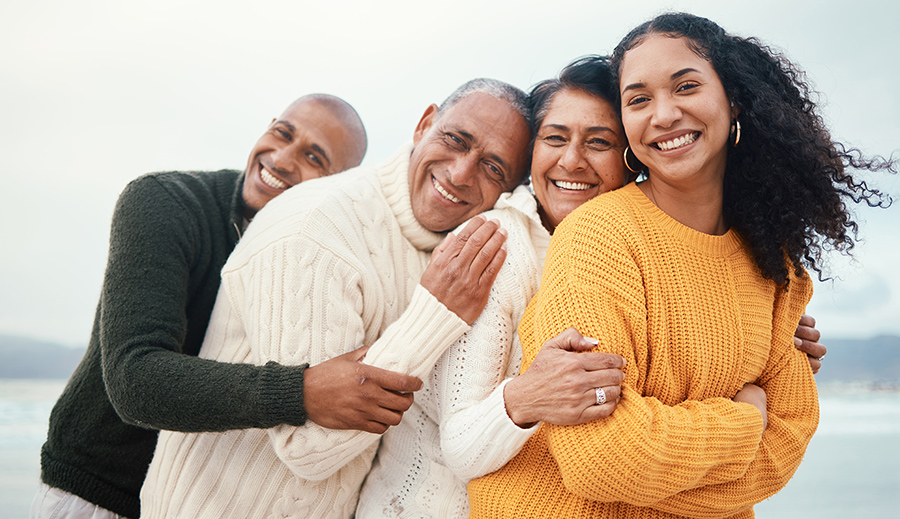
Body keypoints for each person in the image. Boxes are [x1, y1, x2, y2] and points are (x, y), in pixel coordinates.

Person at [356, 56, 829, 518]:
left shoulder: (653, 246)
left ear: (633, 154)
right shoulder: (499, 248)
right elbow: (466, 448)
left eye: (598, 142)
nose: (571, 161)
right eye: (554, 138)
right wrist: (526, 397)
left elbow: (776, 444)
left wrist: (763, 341)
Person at [467, 13, 893, 518]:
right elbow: (599, 458)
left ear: (733, 98)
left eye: (685, 86)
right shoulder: (599, 237)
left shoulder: (777, 265)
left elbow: (783, 453)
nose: (663, 115)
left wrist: (664, 466)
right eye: (638, 99)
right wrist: (742, 421)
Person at [139, 78, 533, 519]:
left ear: (512, 190)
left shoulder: (459, 249)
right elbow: (307, 450)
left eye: (493, 168)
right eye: (455, 140)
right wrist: (435, 312)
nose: (461, 173)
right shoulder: (317, 228)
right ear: (424, 124)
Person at [33, 94, 425, 519]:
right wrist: (303, 390)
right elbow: (135, 377)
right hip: (97, 491)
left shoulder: (316, 256)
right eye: (283, 133)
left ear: (337, 185)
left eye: (314, 157)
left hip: (188, 504)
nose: (282, 158)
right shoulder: (165, 201)